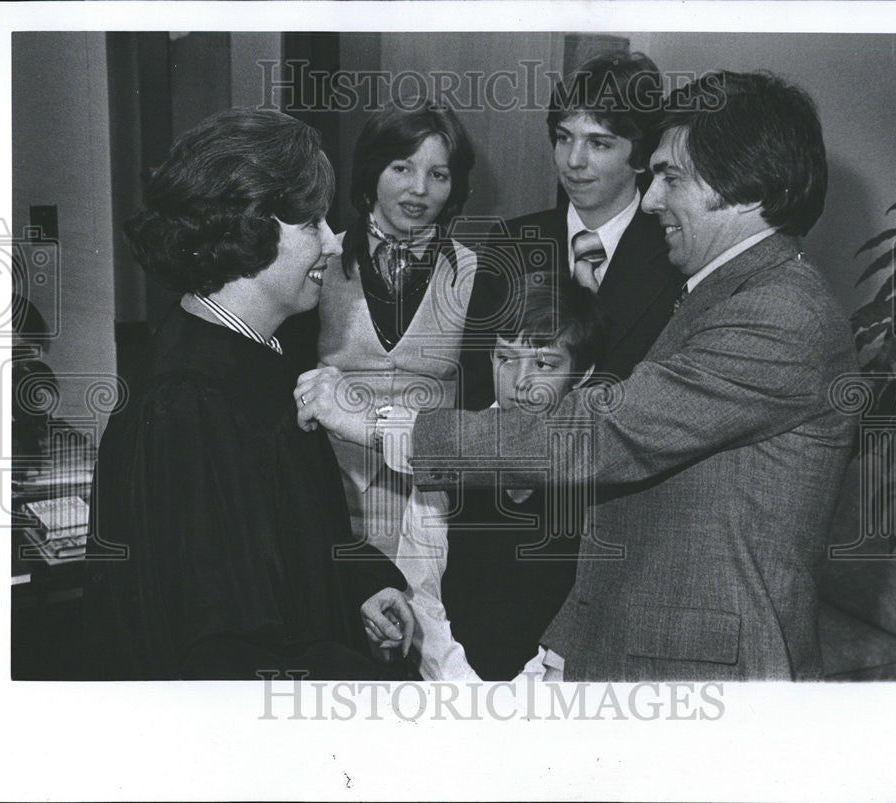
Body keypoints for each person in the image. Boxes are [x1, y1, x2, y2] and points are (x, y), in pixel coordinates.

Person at [408, 71, 859, 681]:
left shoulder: (777, 312)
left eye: (672, 177)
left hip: (704, 670)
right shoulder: (725, 292)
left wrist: (394, 429)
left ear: (746, 190)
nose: (649, 199)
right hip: (637, 635)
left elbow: (602, 434)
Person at [83, 108, 412, 680]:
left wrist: (360, 583)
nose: (334, 244)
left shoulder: (256, 351)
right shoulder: (188, 404)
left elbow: (285, 535)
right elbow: (230, 652)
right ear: (250, 226)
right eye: (312, 224)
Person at [296, 276, 605, 680]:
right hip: (453, 692)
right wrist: (465, 690)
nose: (519, 381)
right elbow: (420, 592)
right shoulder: (446, 452)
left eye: (544, 363)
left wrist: (531, 693)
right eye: (505, 357)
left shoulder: (598, 470)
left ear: (581, 375)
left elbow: (589, 606)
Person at [460, 51, 682, 410]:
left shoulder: (674, 251)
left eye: (599, 143)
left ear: (641, 155)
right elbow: (474, 383)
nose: (574, 161)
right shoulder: (511, 242)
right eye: (564, 138)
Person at [311, 100, 478, 559]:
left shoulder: (477, 272)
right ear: (372, 170)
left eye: (438, 175)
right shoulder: (321, 259)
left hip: (428, 502)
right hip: (333, 489)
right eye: (401, 167)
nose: (419, 190)